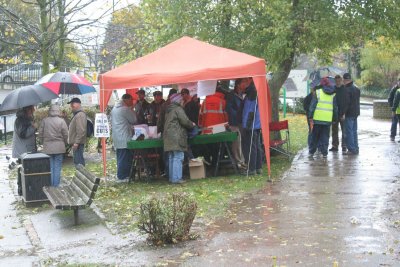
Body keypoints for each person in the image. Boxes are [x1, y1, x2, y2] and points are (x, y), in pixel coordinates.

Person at [163, 93, 195, 184]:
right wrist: (192, 124)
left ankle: (172, 178)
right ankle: (177, 178)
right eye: (181, 99)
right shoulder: (178, 109)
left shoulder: (169, 110)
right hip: (176, 136)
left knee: (172, 157)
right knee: (178, 156)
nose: (182, 101)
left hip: (168, 136)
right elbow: (185, 121)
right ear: (178, 100)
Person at [308, 77, 338, 159]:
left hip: (317, 119)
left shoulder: (318, 92)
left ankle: (311, 152)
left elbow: (312, 106)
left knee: (315, 136)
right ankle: (324, 153)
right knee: (325, 136)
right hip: (327, 120)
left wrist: (310, 116)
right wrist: (335, 118)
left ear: (321, 83)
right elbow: (335, 108)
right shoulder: (333, 94)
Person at [38, 104, 68, 186]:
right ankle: (56, 187)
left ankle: (50, 186)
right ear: (58, 111)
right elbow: (66, 134)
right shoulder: (61, 121)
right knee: (57, 167)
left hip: (48, 148)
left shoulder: (45, 120)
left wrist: (42, 142)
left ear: (50, 111)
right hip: (59, 147)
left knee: (50, 168)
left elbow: (40, 133)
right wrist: (64, 143)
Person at [111, 94, 137, 181]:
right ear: (126, 100)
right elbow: (134, 120)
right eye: (131, 100)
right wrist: (132, 109)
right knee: (125, 157)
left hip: (117, 136)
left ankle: (121, 174)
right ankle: (122, 176)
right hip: (124, 136)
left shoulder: (114, 109)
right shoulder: (125, 109)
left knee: (120, 157)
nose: (131, 101)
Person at [12, 105, 37, 196]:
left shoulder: (25, 118)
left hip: (26, 149)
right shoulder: (20, 120)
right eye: (32, 108)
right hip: (23, 150)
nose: (34, 110)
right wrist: (33, 127)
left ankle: (25, 188)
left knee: (25, 169)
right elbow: (23, 134)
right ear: (28, 109)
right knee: (22, 170)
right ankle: (21, 189)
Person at [242, 82, 263, 175]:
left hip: (251, 126)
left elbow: (250, 112)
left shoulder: (251, 97)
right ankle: (258, 167)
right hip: (257, 125)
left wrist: (247, 126)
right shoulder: (257, 96)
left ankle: (252, 169)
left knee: (251, 148)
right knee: (257, 147)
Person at [226, 78, 247, 168]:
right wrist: (239, 116)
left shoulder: (243, 94)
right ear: (238, 84)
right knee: (237, 143)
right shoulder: (231, 95)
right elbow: (230, 110)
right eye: (243, 82)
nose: (245, 84)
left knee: (243, 142)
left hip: (243, 122)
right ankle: (239, 162)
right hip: (235, 123)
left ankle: (243, 161)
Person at [341, 73, 360, 155]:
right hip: (355, 113)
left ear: (344, 80)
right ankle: (356, 148)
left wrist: (343, 113)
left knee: (349, 132)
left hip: (349, 114)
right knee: (354, 131)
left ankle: (351, 149)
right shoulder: (356, 88)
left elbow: (346, 103)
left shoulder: (346, 90)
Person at [329, 75, 347, 152]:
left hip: (342, 113)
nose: (338, 82)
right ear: (335, 81)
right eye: (336, 81)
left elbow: (347, 102)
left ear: (341, 80)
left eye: (339, 81)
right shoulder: (333, 89)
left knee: (344, 131)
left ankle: (344, 146)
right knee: (334, 131)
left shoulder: (345, 89)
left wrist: (345, 113)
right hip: (334, 114)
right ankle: (335, 146)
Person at [67, 97, 87, 166]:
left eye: (73, 103)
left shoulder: (80, 115)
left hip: (78, 143)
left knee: (79, 163)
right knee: (78, 162)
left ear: (78, 104)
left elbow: (81, 130)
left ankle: (82, 176)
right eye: (71, 104)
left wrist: (76, 142)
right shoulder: (77, 114)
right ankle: (81, 176)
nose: (71, 105)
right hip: (77, 142)